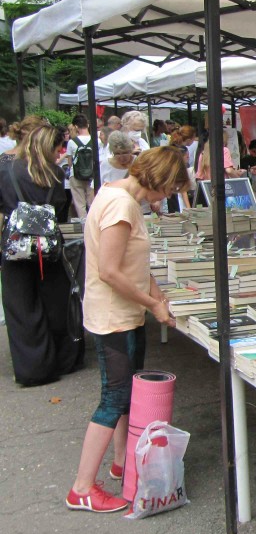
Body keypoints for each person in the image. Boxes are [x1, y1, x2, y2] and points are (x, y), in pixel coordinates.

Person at [65, 146, 188, 513]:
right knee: (114, 397)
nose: (166, 196)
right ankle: (82, 487)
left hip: (122, 313)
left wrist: (157, 295)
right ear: (159, 179)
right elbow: (109, 270)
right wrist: (152, 303)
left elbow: (132, 262)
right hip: (113, 316)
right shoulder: (121, 205)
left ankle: (122, 462)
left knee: (125, 394)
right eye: (169, 188)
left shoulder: (119, 196)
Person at [0, 125, 84, 386]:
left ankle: (33, 368)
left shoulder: (6, 169)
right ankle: (64, 359)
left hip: (15, 247)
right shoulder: (55, 174)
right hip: (49, 247)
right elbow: (59, 210)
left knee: (21, 309)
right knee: (55, 304)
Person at [64, 114, 96, 218]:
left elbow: (70, 162)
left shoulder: (71, 142)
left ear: (76, 127)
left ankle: (84, 224)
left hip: (76, 175)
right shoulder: (96, 140)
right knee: (92, 202)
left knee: (79, 204)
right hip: (92, 175)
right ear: (88, 125)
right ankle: (94, 222)